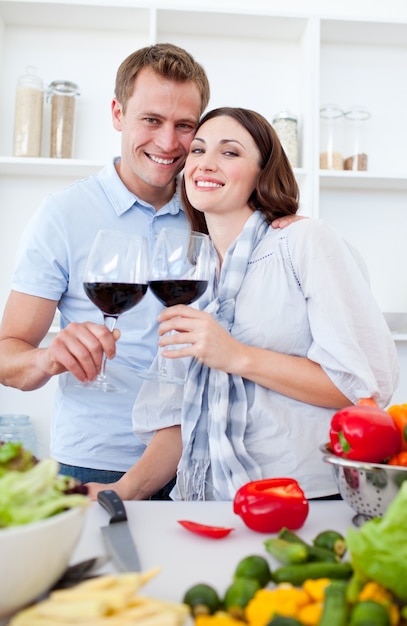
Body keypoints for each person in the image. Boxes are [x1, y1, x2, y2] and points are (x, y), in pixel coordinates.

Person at [86, 106, 399, 501]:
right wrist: (121, 491)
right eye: (197, 151)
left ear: (262, 173)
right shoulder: (192, 273)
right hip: (212, 502)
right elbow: (181, 419)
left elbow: (363, 386)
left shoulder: (303, 242)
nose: (206, 164)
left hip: (307, 500)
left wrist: (236, 356)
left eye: (230, 153)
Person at [0, 43, 210, 489]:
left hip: (201, 458)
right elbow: (7, 354)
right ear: (118, 113)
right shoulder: (63, 214)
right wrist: (47, 358)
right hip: (95, 461)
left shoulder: (213, 210)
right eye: (151, 120)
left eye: (184, 125)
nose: (168, 142)